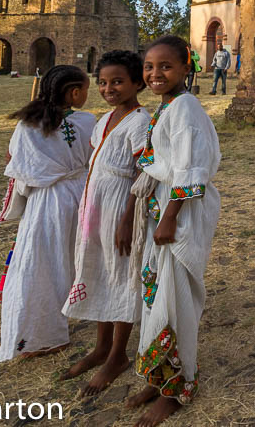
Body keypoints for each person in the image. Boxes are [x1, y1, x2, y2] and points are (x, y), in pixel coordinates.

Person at [120, 35, 221, 427]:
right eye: (149, 66)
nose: (155, 73)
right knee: (155, 293)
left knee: (175, 296)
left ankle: (178, 386)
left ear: (186, 68)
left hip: (180, 211)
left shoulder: (187, 108)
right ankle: (157, 374)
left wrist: (170, 217)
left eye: (165, 66)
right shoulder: (167, 107)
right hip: (163, 205)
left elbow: (191, 166)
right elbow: (163, 160)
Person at [62, 50, 151, 394]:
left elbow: (143, 171)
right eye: (102, 82)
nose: (109, 88)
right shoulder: (105, 119)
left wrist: (128, 218)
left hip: (120, 208)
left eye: (117, 81)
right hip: (96, 206)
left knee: (120, 275)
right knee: (99, 270)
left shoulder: (140, 121)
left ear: (136, 83)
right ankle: (100, 347)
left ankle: (117, 354)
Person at [0, 65, 96, 362]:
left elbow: (17, 163)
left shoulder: (28, 124)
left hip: (46, 201)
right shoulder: (88, 122)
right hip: (81, 194)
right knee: (78, 255)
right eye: (87, 90)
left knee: (43, 264)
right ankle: (61, 322)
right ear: (74, 92)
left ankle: (43, 334)